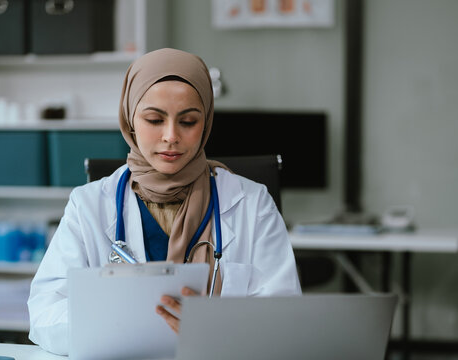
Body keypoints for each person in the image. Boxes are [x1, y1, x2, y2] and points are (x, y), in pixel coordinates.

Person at [27, 48, 302, 355]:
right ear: (130, 118)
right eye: (155, 119)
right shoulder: (89, 205)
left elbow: (284, 317)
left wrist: (220, 329)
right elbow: (44, 313)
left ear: (206, 122)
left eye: (188, 121)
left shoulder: (252, 204)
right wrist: (119, 323)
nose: (171, 136)